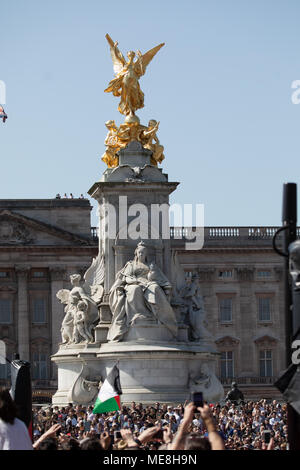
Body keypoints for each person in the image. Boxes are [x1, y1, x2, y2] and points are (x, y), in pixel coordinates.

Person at [108, 241, 178, 342]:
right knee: (135, 290)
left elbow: (158, 277)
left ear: (146, 254)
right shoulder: (131, 265)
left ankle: (161, 316)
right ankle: (139, 315)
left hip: (148, 283)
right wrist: (137, 281)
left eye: (143, 253)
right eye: (139, 252)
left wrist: (152, 277)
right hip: (134, 284)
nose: (141, 254)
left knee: (156, 288)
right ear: (136, 253)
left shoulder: (151, 265)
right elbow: (126, 279)